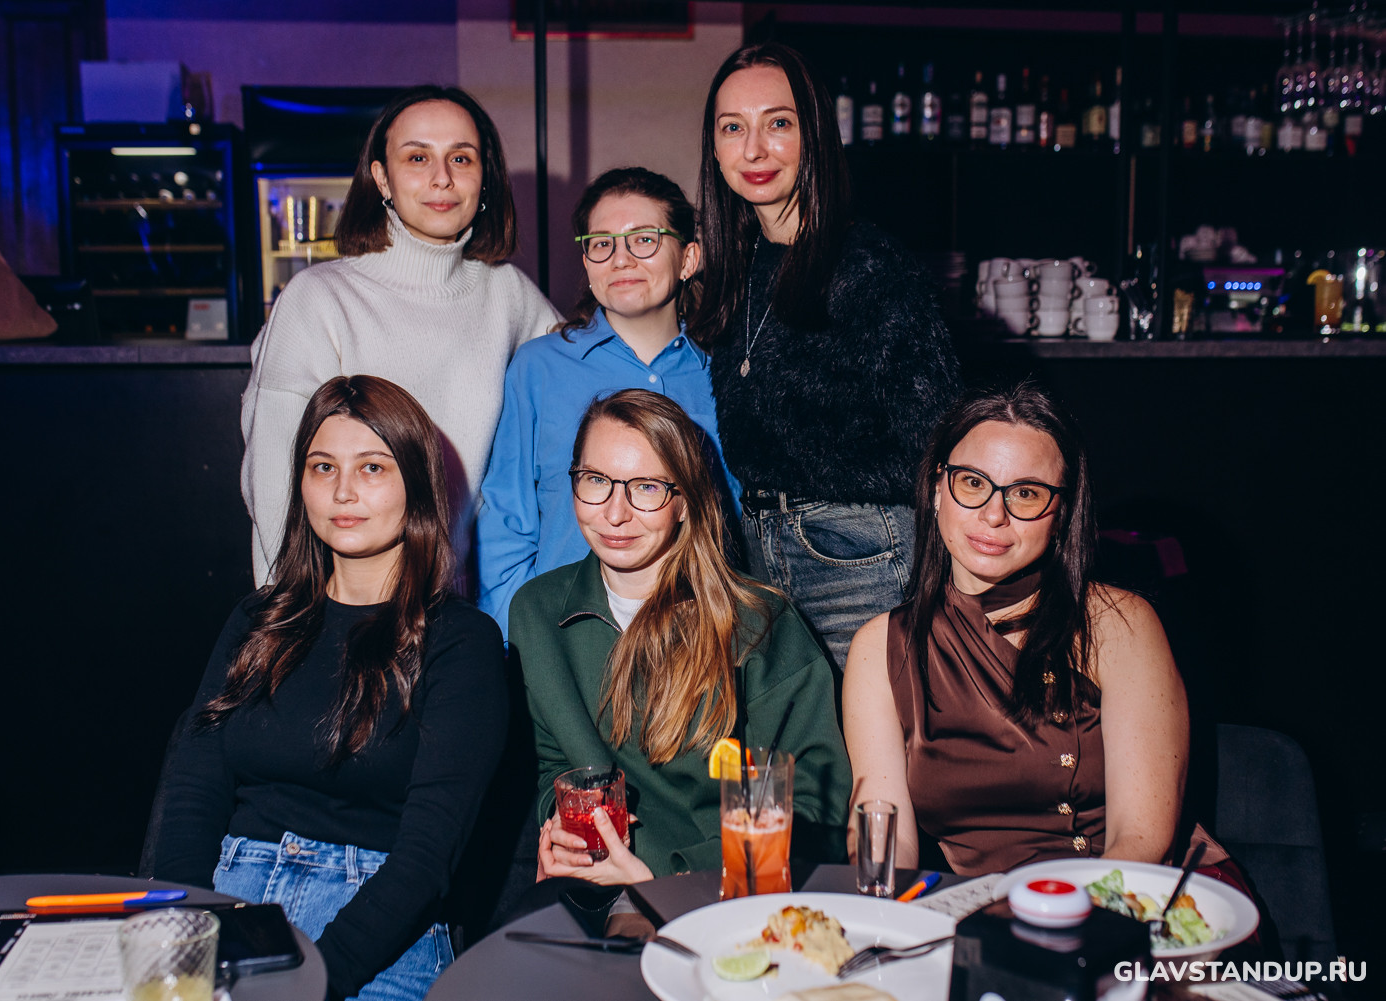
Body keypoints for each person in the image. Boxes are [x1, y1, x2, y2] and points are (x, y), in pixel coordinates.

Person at [154, 376, 507, 1001]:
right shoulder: (258, 621)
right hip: (231, 898)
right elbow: (190, 795)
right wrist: (193, 935)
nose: (343, 491)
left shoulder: (461, 642)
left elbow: (429, 855)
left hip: (377, 930)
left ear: (415, 483)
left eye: (372, 467)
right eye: (323, 467)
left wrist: (319, 978)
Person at [841, 383, 1192, 876]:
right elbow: (884, 833)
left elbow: (1143, 842)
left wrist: (1060, 916)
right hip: (975, 908)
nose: (993, 515)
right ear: (938, 488)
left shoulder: (1118, 623)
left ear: (1062, 512)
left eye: (1026, 494)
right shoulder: (880, 647)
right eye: (973, 482)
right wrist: (883, 907)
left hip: (1119, 895)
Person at [692, 43, 962, 675]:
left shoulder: (869, 266)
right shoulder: (738, 269)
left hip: (861, 555)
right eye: (732, 128)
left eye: (778, 123)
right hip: (758, 555)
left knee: (870, 737)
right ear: (714, 148)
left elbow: (943, 442)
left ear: (814, 134)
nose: (754, 150)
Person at [510, 389, 851, 884]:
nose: (615, 512)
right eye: (596, 480)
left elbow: (817, 806)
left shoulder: (759, 622)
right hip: (595, 889)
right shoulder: (537, 612)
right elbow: (552, 765)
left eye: (646, 488)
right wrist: (562, 829)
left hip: (722, 894)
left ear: (685, 502)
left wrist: (668, 879)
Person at [241, 85, 560, 587]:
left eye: (461, 158)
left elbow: (584, 381)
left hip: (456, 606)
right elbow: (273, 484)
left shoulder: (509, 294)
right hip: (340, 604)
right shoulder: (317, 298)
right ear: (381, 178)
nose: (442, 177)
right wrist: (298, 613)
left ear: (486, 180)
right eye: (417, 157)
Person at [476, 166, 739, 635]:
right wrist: (519, 644)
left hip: (700, 637)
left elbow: (741, 525)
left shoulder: (725, 373)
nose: (620, 259)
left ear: (688, 258)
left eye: (644, 240)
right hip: (569, 638)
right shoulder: (539, 369)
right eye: (602, 244)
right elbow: (506, 524)